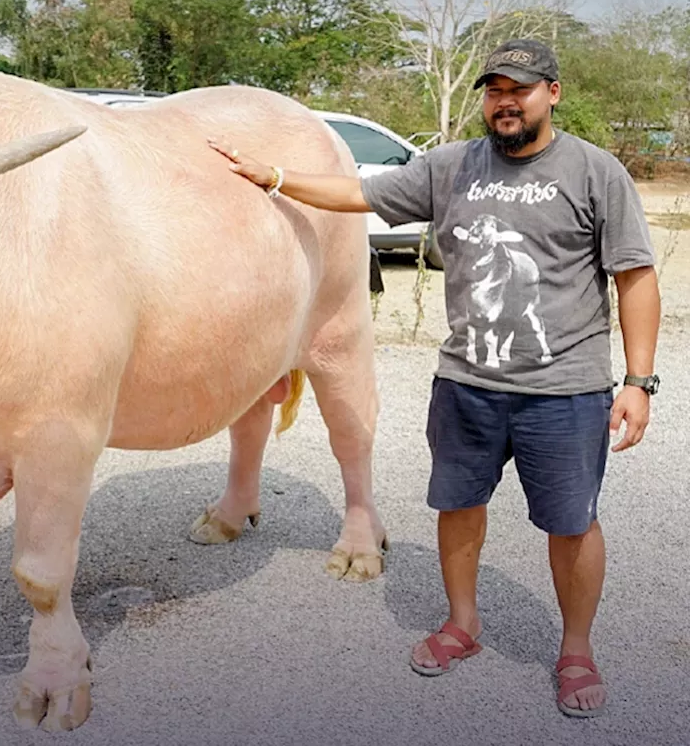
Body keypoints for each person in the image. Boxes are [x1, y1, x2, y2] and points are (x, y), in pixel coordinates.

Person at [208, 38, 661, 718]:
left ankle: (575, 648)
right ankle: (462, 624)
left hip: (565, 390)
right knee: (458, 507)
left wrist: (638, 380)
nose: (505, 102)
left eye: (521, 89)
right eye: (495, 90)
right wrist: (273, 176)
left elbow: (636, 276)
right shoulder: (451, 167)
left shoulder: (597, 173)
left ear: (553, 93)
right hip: (467, 382)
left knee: (572, 523)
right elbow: (357, 192)